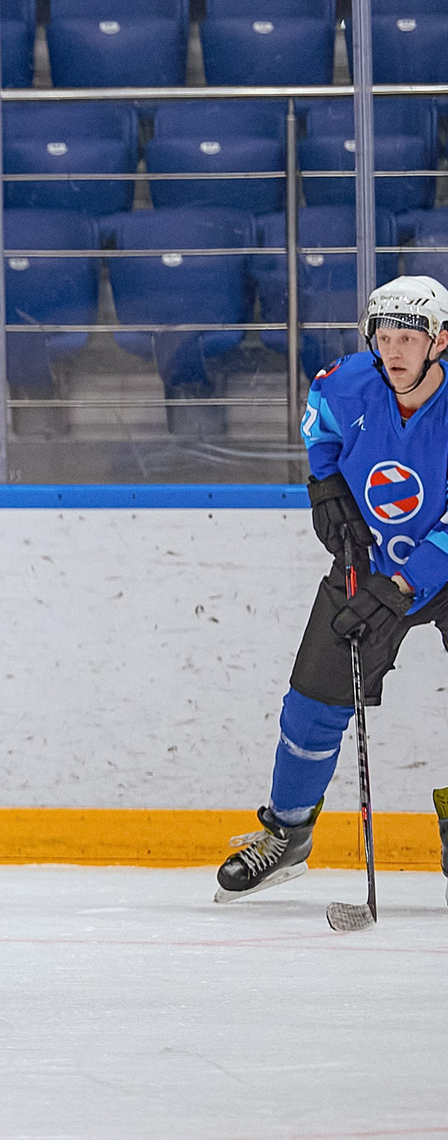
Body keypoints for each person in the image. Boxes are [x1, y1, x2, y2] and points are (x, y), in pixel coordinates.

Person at [215, 275, 448, 904]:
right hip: (366, 561)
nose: (394, 350)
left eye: (409, 338)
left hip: (437, 570)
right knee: (312, 703)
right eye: (384, 336)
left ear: (440, 342)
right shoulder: (346, 383)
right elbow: (319, 425)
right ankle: (286, 835)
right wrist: (325, 487)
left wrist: (402, 585)